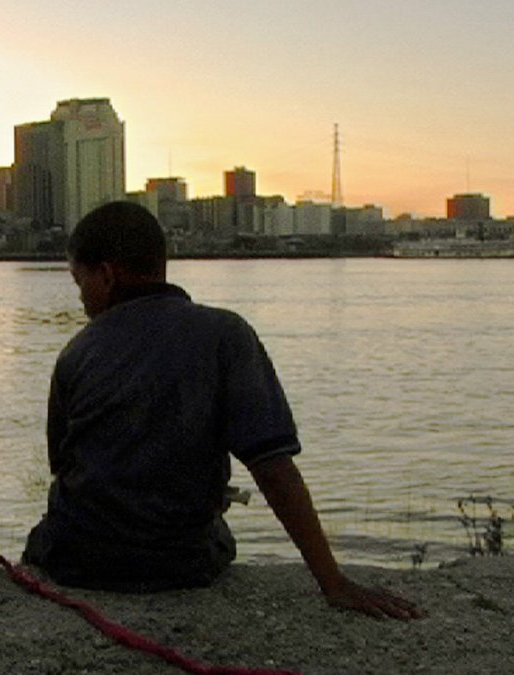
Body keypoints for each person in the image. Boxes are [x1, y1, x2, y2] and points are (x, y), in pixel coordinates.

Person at [23, 201, 423, 620]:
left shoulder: (76, 353)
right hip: (182, 562)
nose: (82, 299)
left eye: (78, 282)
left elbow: (65, 465)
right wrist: (333, 582)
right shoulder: (226, 334)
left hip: (77, 560)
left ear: (106, 276)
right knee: (216, 534)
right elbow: (272, 466)